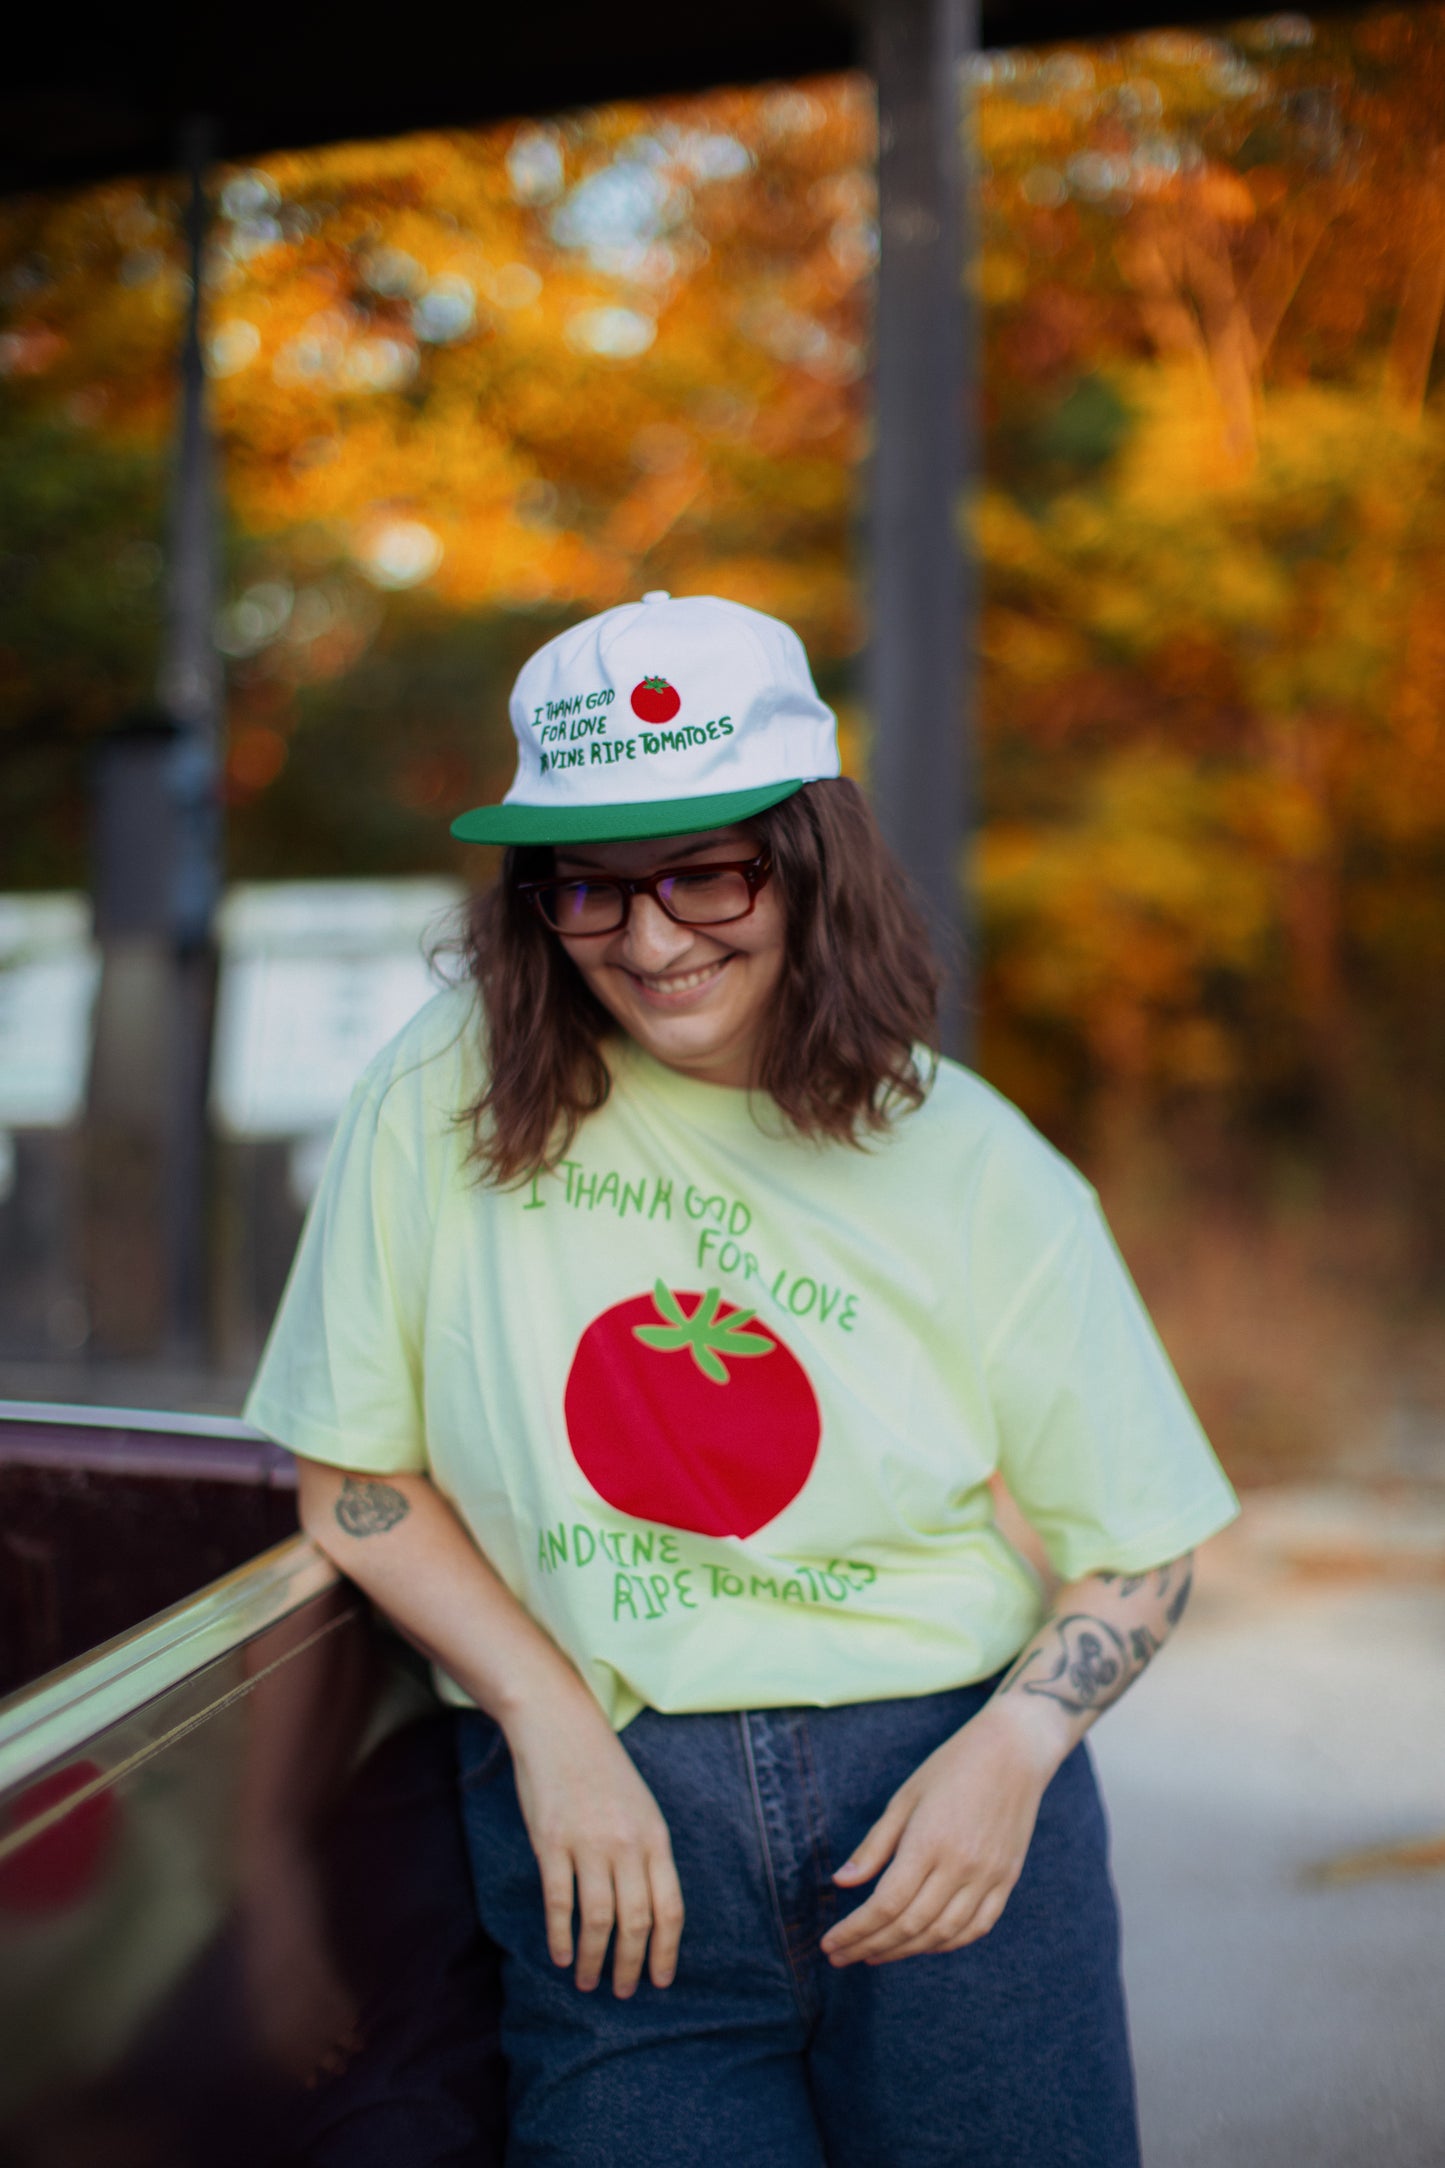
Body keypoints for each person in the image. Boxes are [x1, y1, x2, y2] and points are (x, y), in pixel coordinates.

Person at [246, 590, 1239, 2168]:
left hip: (944, 1823)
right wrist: (547, 1720)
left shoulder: (969, 1157)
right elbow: (356, 1485)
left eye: (708, 871)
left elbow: (1141, 1539)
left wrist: (1014, 1757)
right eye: (589, 889)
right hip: (608, 1847)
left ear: (808, 855)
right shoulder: (440, 1098)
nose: (649, 942)